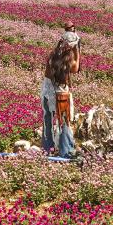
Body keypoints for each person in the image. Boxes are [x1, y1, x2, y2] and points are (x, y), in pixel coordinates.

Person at [41, 30, 82, 158]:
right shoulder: (68, 60)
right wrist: (77, 50)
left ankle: (47, 149)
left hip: (47, 93)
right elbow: (76, 67)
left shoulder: (53, 57)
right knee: (64, 121)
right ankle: (65, 150)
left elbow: (47, 74)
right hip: (62, 95)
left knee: (47, 119)